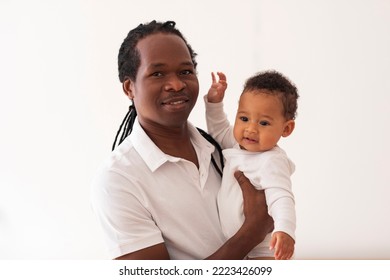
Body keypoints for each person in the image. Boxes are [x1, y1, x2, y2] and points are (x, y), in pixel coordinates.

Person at [90, 20, 273, 260]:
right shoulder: (117, 180)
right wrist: (251, 233)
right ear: (129, 88)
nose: (176, 84)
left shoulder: (222, 149)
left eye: (186, 72)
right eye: (157, 73)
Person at [205, 70, 298, 260]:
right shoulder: (239, 145)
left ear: (286, 128)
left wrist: (285, 230)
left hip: (265, 250)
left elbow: (281, 197)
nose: (251, 129)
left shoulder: (271, 161)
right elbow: (218, 130)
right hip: (239, 247)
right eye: (244, 118)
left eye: (263, 123)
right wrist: (214, 104)